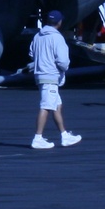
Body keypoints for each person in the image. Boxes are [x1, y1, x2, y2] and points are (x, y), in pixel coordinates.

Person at [29, 10, 79, 149]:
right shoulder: (57, 38)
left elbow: (31, 53)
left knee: (56, 105)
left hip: (40, 74)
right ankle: (38, 138)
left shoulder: (38, 36)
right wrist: (63, 67)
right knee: (46, 106)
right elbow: (63, 61)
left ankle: (64, 135)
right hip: (51, 76)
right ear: (59, 22)